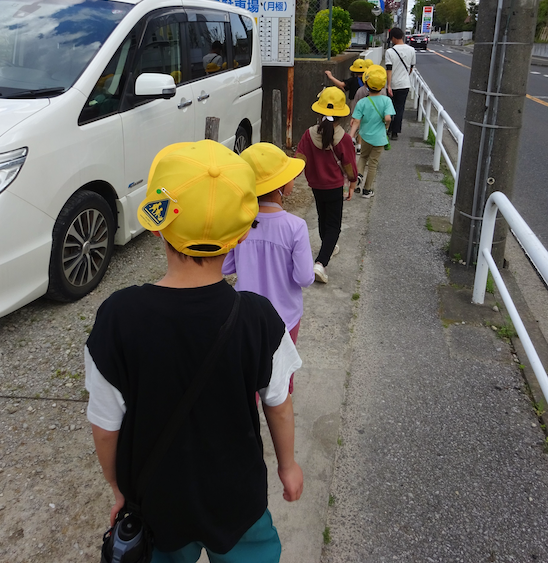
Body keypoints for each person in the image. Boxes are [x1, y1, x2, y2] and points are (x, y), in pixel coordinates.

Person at [85, 140, 303, 563]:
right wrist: (288, 466)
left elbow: (105, 426)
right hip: (239, 503)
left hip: (156, 506)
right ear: (241, 233)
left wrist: (119, 490)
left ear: (158, 225)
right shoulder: (260, 319)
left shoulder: (118, 318)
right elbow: (278, 404)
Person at [222, 143, 315, 394]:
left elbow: (227, 266)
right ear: (281, 187)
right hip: (286, 316)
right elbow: (305, 277)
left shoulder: (240, 224)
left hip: (246, 314)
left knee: (250, 375)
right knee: (281, 377)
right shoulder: (295, 227)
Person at [295, 87, 358, 284]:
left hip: (315, 185)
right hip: (333, 186)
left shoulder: (309, 134)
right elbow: (349, 165)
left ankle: (328, 247)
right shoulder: (343, 138)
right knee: (334, 225)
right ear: (341, 114)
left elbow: (299, 159)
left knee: (323, 217)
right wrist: (352, 183)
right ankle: (321, 263)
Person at [350, 67, 395, 199]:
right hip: (379, 138)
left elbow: (356, 121)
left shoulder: (362, 102)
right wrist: (386, 126)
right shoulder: (387, 101)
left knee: (363, 157)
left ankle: (358, 177)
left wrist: (351, 135)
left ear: (366, 84)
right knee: (373, 163)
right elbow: (388, 118)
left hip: (365, 136)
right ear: (382, 86)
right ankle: (367, 190)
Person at [384, 27, 416, 140]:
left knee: (390, 108)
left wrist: (388, 85)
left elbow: (389, 69)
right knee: (400, 108)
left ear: (393, 38)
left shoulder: (389, 52)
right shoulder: (411, 50)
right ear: (402, 36)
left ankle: (388, 129)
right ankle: (395, 133)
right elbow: (411, 68)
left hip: (392, 85)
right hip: (405, 84)